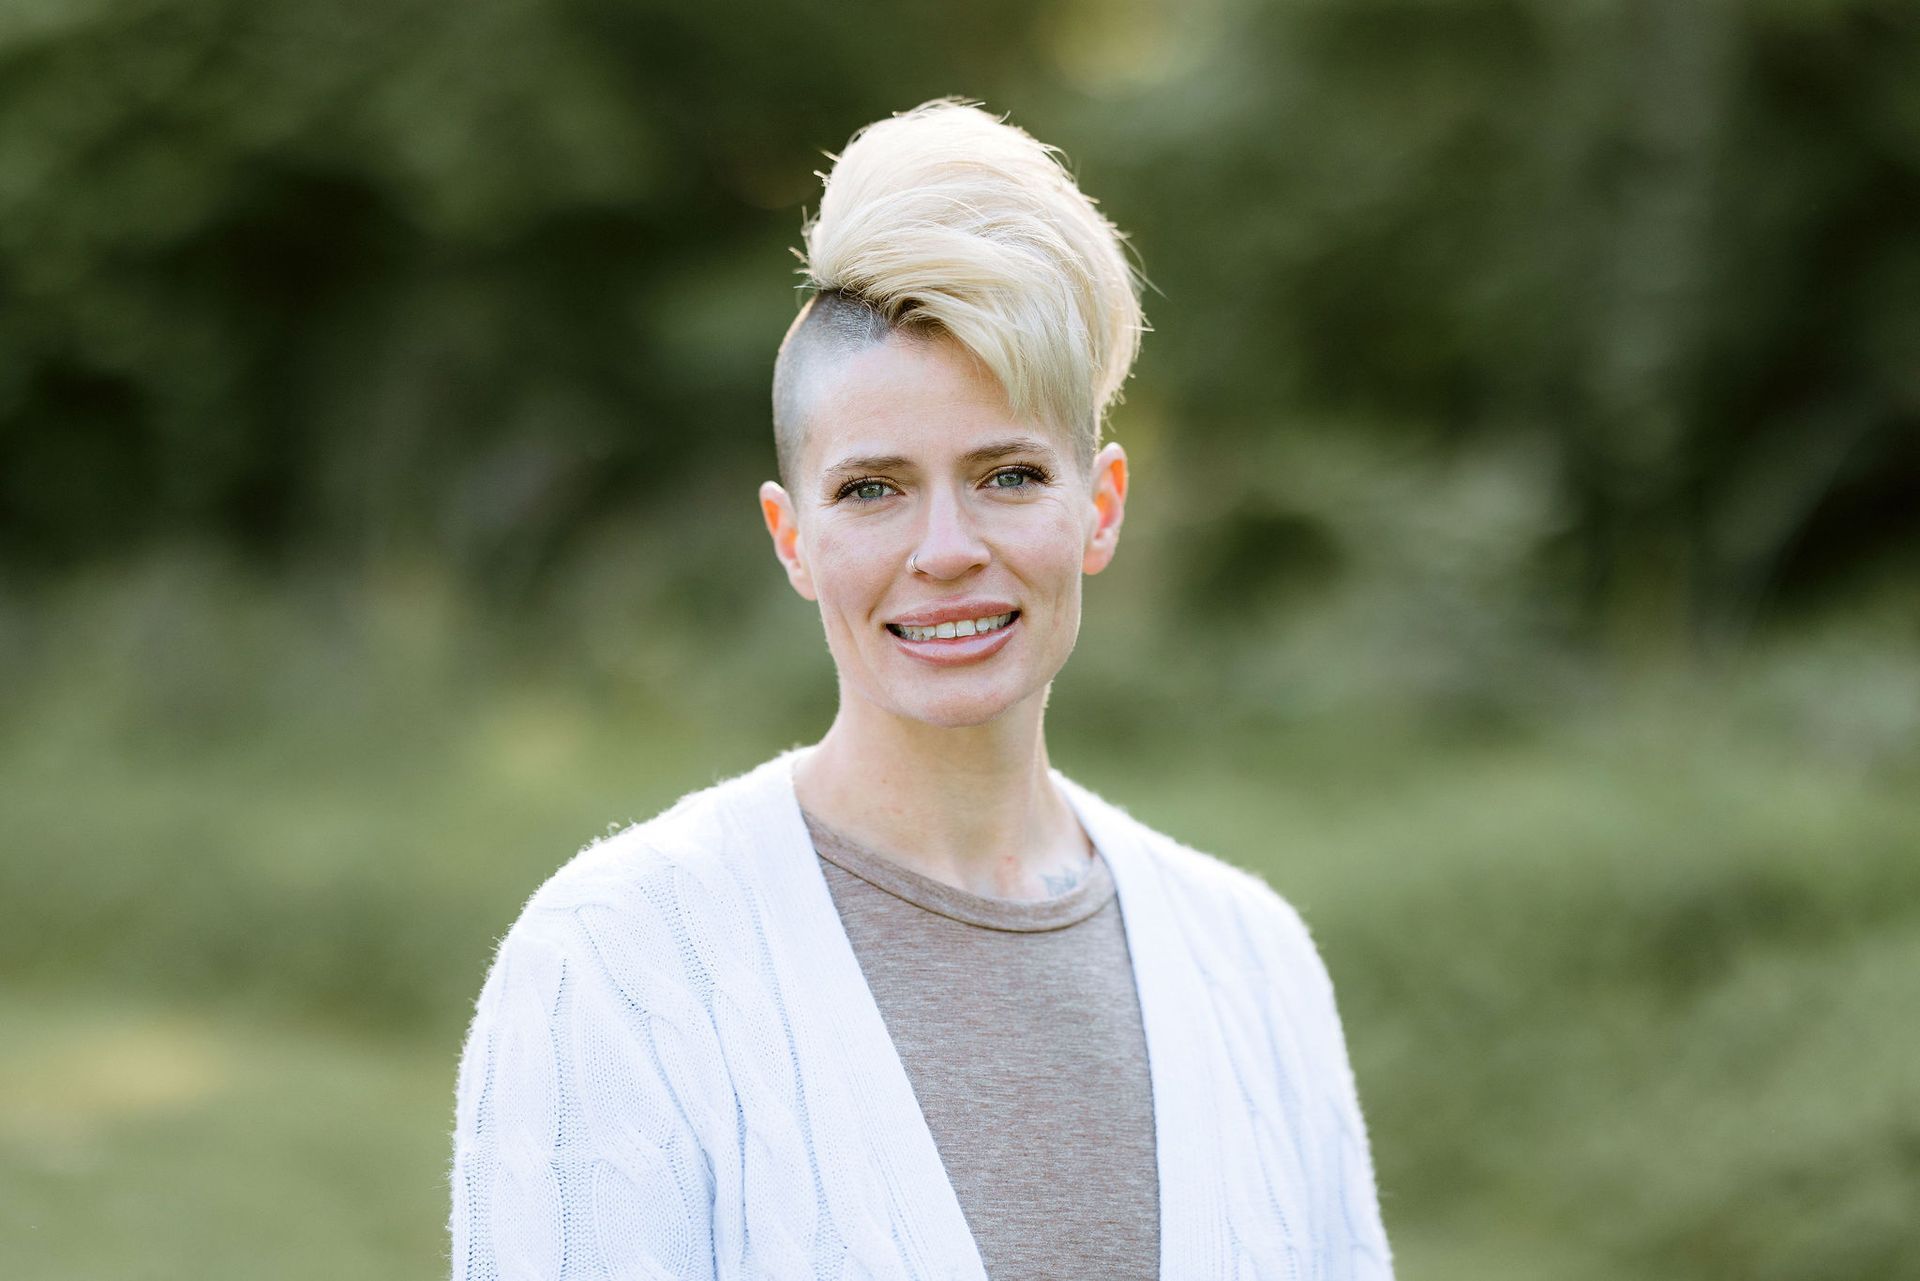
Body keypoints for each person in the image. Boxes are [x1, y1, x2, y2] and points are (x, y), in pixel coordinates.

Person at [449, 98, 1394, 1281]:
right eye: (873, 490)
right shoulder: (620, 967)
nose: (945, 548)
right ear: (791, 538)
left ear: (1097, 507)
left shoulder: (1254, 966)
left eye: (1006, 474)